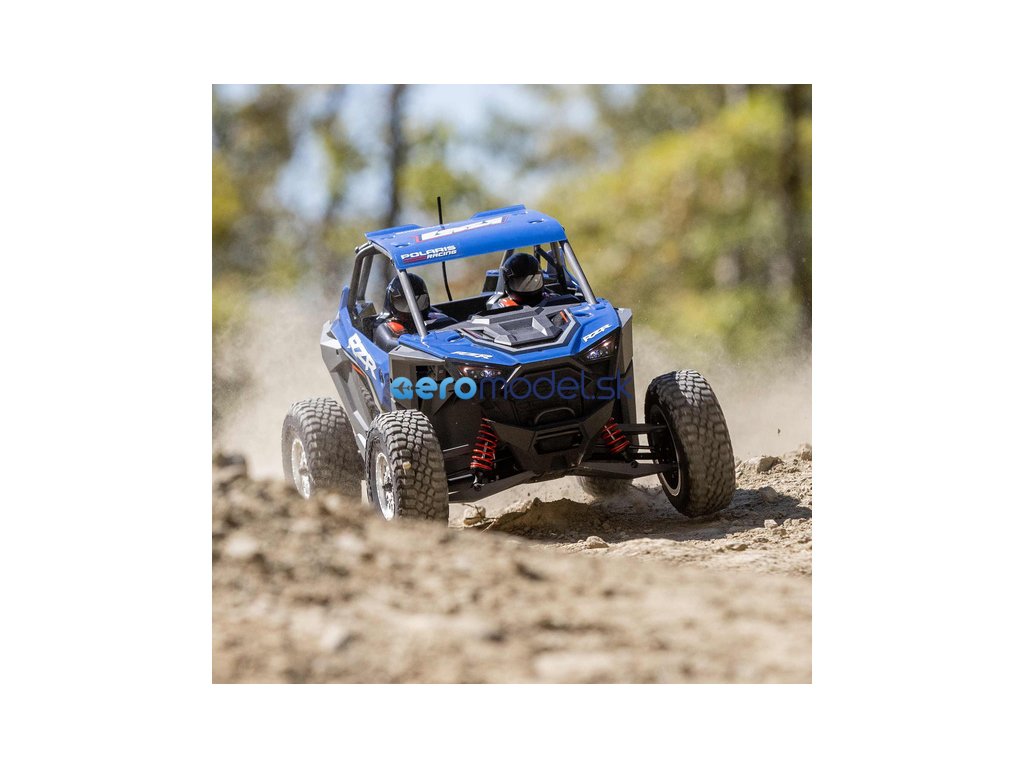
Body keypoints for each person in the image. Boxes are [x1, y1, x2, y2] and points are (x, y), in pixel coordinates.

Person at [373, 273, 452, 350]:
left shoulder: (438, 317)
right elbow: (389, 344)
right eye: (403, 303)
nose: (412, 309)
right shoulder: (386, 328)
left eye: (420, 301)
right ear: (391, 303)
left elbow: (455, 327)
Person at [486, 251, 550, 309]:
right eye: (521, 283)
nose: (529, 287)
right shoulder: (501, 310)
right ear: (506, 284)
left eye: (534, 281)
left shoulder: (552, 300)